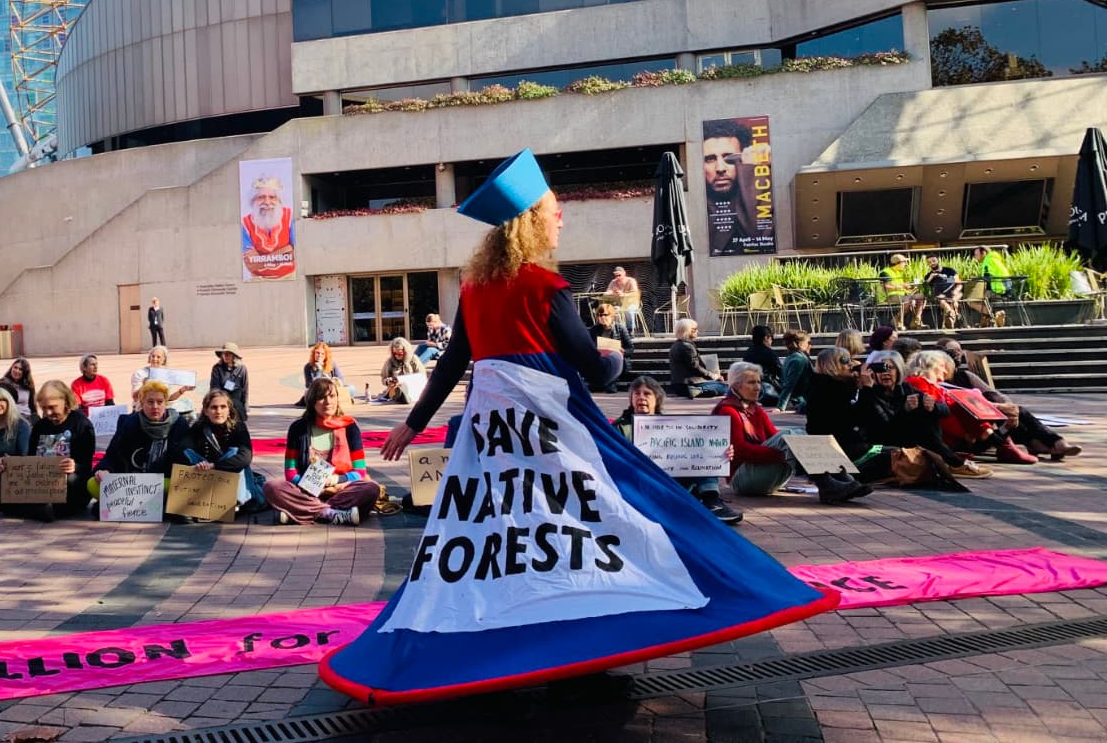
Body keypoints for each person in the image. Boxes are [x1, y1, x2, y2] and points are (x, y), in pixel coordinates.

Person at [331, 148, 830, 706]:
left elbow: (452, 365)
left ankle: (517, 637)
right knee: (617, 514)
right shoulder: (546, 288)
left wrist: (413, 423)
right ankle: (593, 634)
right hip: (556, 426)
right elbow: (591, 367)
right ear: (532, 222)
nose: (561, 218)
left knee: (503, 537)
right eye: (554, 210)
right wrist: (614, 354)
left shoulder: (473, 289)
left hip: (494, 437)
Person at [711, 362, 869, 502]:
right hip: (742, 479)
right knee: (790, 438)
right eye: (751, 382)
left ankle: (841, 479)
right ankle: (826, 484)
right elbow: (740, 450)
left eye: (759, 382)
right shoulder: (727, 410)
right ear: (736, 386)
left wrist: (794, 451)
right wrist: (786, 454)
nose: (758, 387)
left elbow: (774, 436)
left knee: (799, 434)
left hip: (762, 473)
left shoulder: (755, 409)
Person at [612, 376, 741, 524]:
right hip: (641, 481)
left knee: (703, 452)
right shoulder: (619, 427)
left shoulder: (673, 425)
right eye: (636, 393)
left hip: (673, 479)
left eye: (647, 394)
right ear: (631, 398)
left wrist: (720, 453)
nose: (641, 397)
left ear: (657, 399)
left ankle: (713, 503)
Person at [935, 337, 1082, 461]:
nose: (957, 356)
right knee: (1010, 412)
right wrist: (997, 408)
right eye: (952, 353)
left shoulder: (964, 376)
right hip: (970, 436)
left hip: (987, 423)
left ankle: (1044, 444)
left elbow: (994, 394)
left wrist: (1006, 407)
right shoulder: (935, 382)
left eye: (959, 351)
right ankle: (1046, 443)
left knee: (1013, 410)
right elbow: (961, 406)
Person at [853, 350, 991, 478]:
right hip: (882, 442)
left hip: (908, 438)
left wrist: (932, 406)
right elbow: (883, 425)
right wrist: (905, 409)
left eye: (891, 368)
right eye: (881, 369)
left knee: (925, 412)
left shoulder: (906, 388)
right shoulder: (870, 393)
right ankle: (953, 462)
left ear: (899, 370)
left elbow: (945, 411)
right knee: (919, 417)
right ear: (872, 372)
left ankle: (951, 461)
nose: (886, 373)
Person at [262, 377, 380, 526]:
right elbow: (290, 472)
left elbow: (360, 471)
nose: (328, 402)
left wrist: (337, 481)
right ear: (312, 401)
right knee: (271, 488)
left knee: (371, 488)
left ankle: (302, 512)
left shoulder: (350, 427)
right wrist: (311, 486)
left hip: (341, 489)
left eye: (332, 396)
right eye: (321, 397)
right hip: (306, 490)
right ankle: (331, 513)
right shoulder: (298, 428)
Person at [904, 350, 1037, 464]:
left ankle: (1003, 442)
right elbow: (942, 414)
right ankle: (1003, 443)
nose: (945, 371)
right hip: (938, 438)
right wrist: (964, 434)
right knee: (963, 405)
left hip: (949, 435)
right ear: (930, 365)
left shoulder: (930, 384)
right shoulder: (919, 382)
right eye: (943, 366)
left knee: (972, 406)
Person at [90, 379, 191, 504]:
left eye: (160, 402)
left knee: (180, 486)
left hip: (162, 481)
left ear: (166, 403)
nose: (155, 406)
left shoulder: (179, 424)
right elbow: (113, 454)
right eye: (150, 402)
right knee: (92, 483)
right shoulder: (128, 422)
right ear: (142, 403)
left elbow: (184, 458)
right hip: (131, 482)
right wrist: (104, 470)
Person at [806, 347, 895, 482]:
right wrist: (866, 389)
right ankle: (847, 477)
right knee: (897, 454)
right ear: (831, 364)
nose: (850, 363)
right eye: (844, 360)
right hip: (844, 450)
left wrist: (856, 385)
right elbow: (858, 419)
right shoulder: (828, 390)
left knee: (900, 451)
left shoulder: (831, 385)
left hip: (847, 446)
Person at [15, 380, 96, 521]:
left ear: (65, 402)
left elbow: (87, 465)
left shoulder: (81, 424)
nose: (48, 413)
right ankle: (44, 508)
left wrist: (74, 466)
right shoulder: (40, 426)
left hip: (71, 482)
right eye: (44, 408)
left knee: (71, 480)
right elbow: (31, 458)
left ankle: (43, 509)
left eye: (52, 407)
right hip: (43, 483)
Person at [181, 389, 263, 510]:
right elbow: (182, 449)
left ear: (229, 409)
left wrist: (214, 466)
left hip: (229, 475)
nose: (218, 412)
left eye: (223, 407)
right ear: (206, 411)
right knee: (187, 452)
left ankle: (235, 502)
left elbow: (245, 458)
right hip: (208, 478)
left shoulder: (238, 427)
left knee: (234, 452)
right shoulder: (199, 427)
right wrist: (200, 465)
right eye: (214, 407)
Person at [703, 119, 767, 256]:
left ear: (744, 160)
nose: (720, 168)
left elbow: (759, 238)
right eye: (710, 159)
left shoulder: (762, 191)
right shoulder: (694, 208)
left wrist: (751, 171)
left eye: (730, 159)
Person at [241, 175, 296, 281]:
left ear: (279, 200)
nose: (267, 202)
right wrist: (286, 250)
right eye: (261, 197)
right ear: (253, 200)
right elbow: (252, 264)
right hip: (258, 279)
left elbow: (296, 254)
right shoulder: (245, 224)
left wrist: (261, 259)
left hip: (290, 277)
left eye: (272, 197)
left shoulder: (290, 216)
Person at [668, 318, 727, 398]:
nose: (697, 331)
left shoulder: (676, 345)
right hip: (688, 385)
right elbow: (695, 367)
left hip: (679, 385)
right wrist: (714, 376)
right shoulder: (687, 347)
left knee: (719, 386)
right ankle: (699, 390)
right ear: (687, 330)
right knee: (724, 387)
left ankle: (701, 390)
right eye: (695, 329)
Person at [131, 346, 195, 419]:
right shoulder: (140, 373)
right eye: (153, 356)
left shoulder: (166, 374)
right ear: (149, 358)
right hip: (143, 409)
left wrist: (183, 389)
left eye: (158, 357)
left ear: (163, 360)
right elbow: (135, 397)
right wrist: (144, 385)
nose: (155, 359)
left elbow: (169, 398)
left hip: (161, 410)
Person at [587, 302, 632, 393]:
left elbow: (630, 348)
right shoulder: (594, 330)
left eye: (605, 315)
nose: (602, 317)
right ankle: (599, 383)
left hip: (616, 360)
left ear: (611, 316)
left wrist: (623, 351)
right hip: (600, 359)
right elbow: (589, 346)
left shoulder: (620, 328)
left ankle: (610, 383)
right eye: (599, 315)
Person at [298, 341, 356, 406]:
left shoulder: (332, 364)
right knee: (313, 394)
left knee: (352, 388)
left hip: (332, 389)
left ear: (326, 355)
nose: (320, 355)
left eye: (322, 354)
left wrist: (335, 381)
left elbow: (341, 379)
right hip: (318, 391)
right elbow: (310, 385)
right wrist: (319, 370)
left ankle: (335, 399)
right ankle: (336, 400)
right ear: (314, 354)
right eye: (317, 353)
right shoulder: (308, 366)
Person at [879, 254, 926, 330]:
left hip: (902, 296)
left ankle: (916, 320)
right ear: (897, 263)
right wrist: (901, 286)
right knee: (907, 300)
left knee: (920, 296)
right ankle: (897, 320)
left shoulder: (898, 272)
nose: (906, 264)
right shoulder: (885, 272)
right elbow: (886, 287)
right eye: (904, 262)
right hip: (889, 296)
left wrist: (910, 289)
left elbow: (900, 287)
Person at [373, 337, 426, 403]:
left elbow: (421, 376)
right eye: (394, 353)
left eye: (399, 354)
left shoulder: (414, 359)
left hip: (413, 386)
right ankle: (401, 395)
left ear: (406, 351)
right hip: (395, 388)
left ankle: (404, 396)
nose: (397, 356)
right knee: (397, 390)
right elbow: (383, 378)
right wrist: (388, 381)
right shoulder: (390, 362)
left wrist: (409, 380)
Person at [971, 246, 1011, 327]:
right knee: (984, 299)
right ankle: (993, 316)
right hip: (1006, 290)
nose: (975, 257)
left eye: (976, 255)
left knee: (971, 300)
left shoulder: (987, 262)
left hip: (996, 290)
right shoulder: (995, 260)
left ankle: (991, 315)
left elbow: (987, 279)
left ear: (984, 253)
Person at [741, 324, 781, 405]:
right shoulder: (769, 352)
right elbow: (780, 371)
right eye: (771, 338)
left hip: (747, 387)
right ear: (766, 338)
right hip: (765, 385)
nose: (772, 341)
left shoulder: (748, 351)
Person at [210, 342, 249, 421]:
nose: (225, 356)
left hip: (237, 403)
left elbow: (245, 389)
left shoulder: (242, 368)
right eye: (223, 354)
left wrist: (245, 407)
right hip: (222, 401)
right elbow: (215, 389)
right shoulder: (217, 368)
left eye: (228, 354)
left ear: (234, 355)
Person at [776, 330, 812, 412]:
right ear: (800, 344)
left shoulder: (790, 357)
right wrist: (780, 406)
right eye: (808, 342)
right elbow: (790, 383)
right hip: (802, 400)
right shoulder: (800, 359)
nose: (810, 346)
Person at [923, 255, 962, 329]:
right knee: (943, 300)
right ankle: (952, 315)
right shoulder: (928, 276)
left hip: (952, 292)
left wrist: (945, 278)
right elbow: (925, 288)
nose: (932, 263)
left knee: (952, 300)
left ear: (938, 260)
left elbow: (957, 281)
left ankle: (950, 317)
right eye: (929, 262)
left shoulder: (949, 270)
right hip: (939, 295)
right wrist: (930, 278)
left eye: (934, 261)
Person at [604, 266, 642, 333]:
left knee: (628, 310)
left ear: (624, 273)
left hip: (632, 303)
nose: (617, 277)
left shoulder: (631, 281)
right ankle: (618, 330)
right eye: (616, 276)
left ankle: (631, 329)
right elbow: (606, 293)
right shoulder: (613, 282)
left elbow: (635, 293)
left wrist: (623, 294)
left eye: (619, 275)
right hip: (620, 304)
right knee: (612, 310)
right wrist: (612, 293)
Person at [0, 358, 38, 423]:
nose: (17, 370)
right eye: (15, 367)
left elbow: (32, 405)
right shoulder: (2, 383)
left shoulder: (28, 385)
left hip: (27, 417)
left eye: (20, 369)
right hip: (11, 418)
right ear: (11, 368)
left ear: (25, 372)